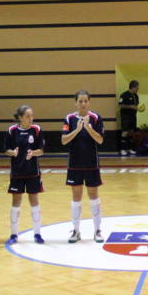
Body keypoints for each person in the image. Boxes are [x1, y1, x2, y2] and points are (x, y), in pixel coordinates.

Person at [62, 90, 105, 243]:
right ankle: (76, 231)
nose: (83, 104)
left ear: (89, 102)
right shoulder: (69, 119)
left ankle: (97, 230)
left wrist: (88, 128)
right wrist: (77, 129)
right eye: (80, 101)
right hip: (75, 164)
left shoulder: (96, 118)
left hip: (91, 163)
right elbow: (64, 140)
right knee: (76, 197)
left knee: (94, 197)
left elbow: (100, 140)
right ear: (76, 103)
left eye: (85, 101)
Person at [6, 105, 46, 244]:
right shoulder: (12, 131)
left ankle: (37, 234)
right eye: (28, 116)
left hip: (32, 172)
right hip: (17, 172)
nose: (31, 118)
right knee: (16, 202)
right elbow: (6, 149)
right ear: (20, 118)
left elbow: (41, 150)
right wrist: (13, 153)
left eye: (32, 116)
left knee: (34, 201)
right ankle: (14, 234)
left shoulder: (36, 129)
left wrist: (33, 153)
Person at [117, 80, 141, 155]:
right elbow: (120, 105)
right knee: (125, 132)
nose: (138, 89)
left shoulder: (136, 96)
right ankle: (122, 149)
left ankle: (130, 149)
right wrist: (131, 107)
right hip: (125, 116)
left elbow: (136, 106)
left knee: (131, 132)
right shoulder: (124, 95)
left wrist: (139, 108)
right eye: (137, 88)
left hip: (133, 116)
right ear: (133, 87)